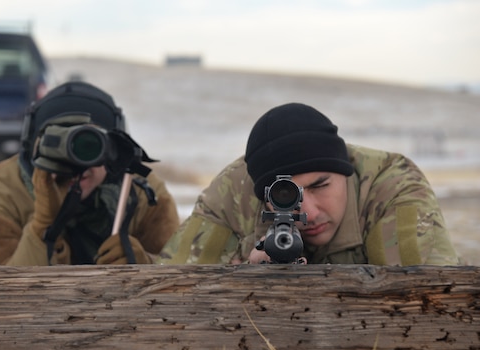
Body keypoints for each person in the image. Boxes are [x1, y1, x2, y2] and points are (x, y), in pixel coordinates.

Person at [0, 81, 180, 266]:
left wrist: (146, 263)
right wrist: (42, 226)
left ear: (115, 150)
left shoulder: (143, 191)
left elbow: (180, 273)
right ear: (32, 148)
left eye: (89, 146)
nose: (76, 164)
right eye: (56, 146)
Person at [158, 103, 461, 266]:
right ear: (261, 196)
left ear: (347, 172)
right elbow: (170, 292)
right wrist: (241, 274)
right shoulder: (231, 193)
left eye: (320, 186)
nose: (310, 212)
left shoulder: (389, 183)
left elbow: (427, 295)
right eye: (285, 194)